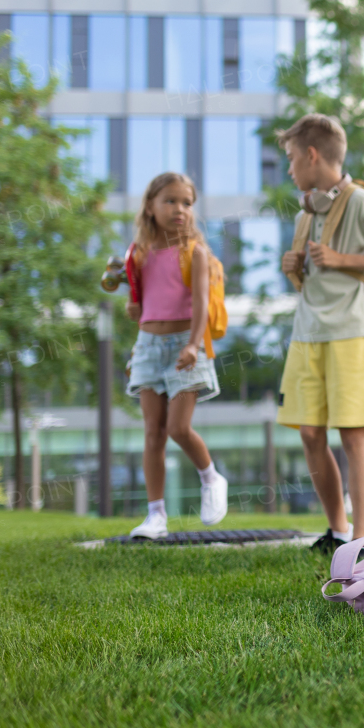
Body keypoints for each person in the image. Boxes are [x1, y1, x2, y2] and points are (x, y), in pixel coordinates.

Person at [276, 114, 364, 552]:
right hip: (308, 333)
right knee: (310, 433)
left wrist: (339, 259)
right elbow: (315, 273)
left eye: (292, 158)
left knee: (353, 434)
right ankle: (337, 531)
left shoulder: (360, 203)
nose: (290, 168)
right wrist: (294, 267)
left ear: (312, 155)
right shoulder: (308, 209)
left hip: (352, 333)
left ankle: (362, 538)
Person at [125, 172, 228, 539]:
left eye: (186, 203)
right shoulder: (138, 253)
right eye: (170, 201)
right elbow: (144, 297)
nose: (179, 209)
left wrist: (193, 345)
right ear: (150, 207)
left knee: (178, 428)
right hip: (148, 347)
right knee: (153, 432)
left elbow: (201, 302)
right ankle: (156, 516)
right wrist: (134, 308)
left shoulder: (195, 251)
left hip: (187, 344)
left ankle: (211, 477)